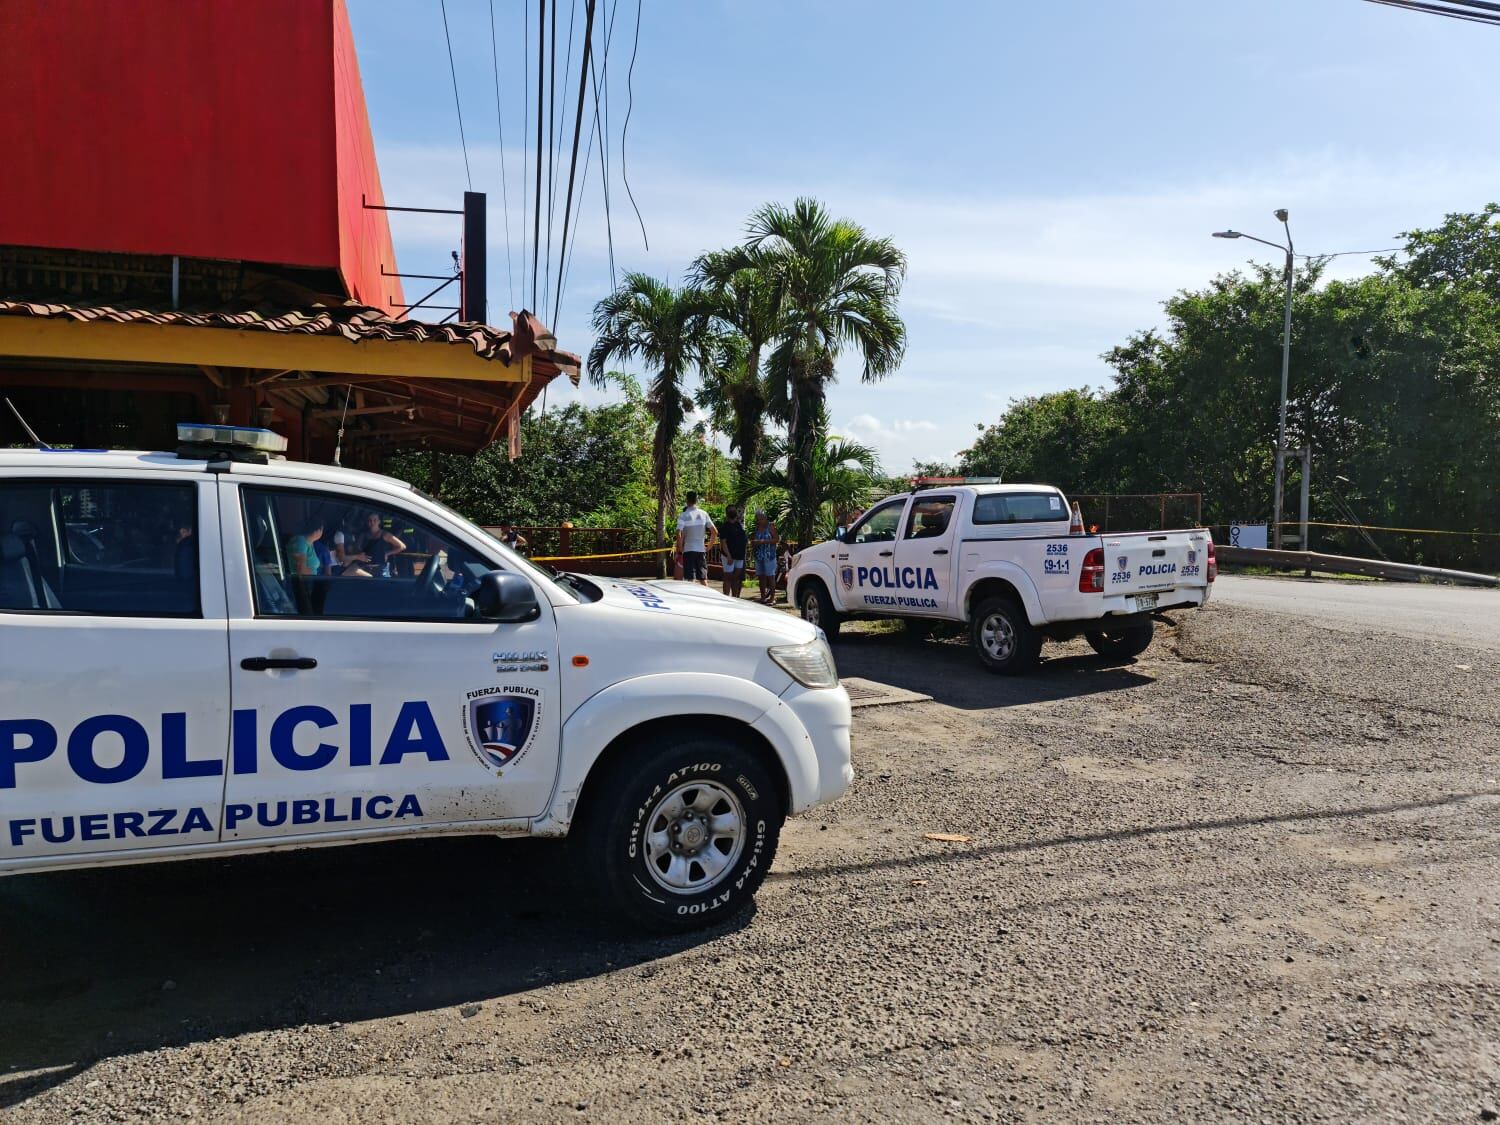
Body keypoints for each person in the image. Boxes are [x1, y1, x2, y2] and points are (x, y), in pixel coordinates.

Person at [674, 491, 716, 585]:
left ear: (686, 500)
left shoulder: (684, 515)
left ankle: (691, 598)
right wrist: (709, 546)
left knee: (690, 579)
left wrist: (680, 548)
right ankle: (707, 597)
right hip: (701, 550)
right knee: (703, 578)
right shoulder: (704, 514)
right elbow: (714, 532)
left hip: (688, 550)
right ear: (696, 500)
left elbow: (678, 532)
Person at [346, 511, 405, 577]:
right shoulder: (363, 535)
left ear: (379, 521)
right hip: (364, 569)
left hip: (381, 570)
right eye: (370, 520)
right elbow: (356, 548)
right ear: (367, 522)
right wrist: (358, 554)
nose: (372, 522)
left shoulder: (385, 534)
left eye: (375, 520)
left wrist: (387, 553)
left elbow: (402, 546)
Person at [719, 505, 748, 599]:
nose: (733, 512)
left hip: (739, 556)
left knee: (736, 579)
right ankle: (726, 598)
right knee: (728, 577)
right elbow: (723, 542)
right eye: (731, 511)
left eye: (734, 510)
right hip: (729, 556)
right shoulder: (724, 527)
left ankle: (735, 598)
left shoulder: (739, 525)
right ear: (727, 513)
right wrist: (728, 556)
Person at [751, 510, 779, 605]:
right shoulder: (757, 528)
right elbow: (754, 539)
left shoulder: (770, 526)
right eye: (758, 519)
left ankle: (772, 597)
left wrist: (763, 541)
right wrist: (754, 543)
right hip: (759, 556)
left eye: (762, 518)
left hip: (769, 556)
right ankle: (763, 597)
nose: (760, 520)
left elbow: (776, 539)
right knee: (761, 576)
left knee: (770, 576)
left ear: (765, 518)